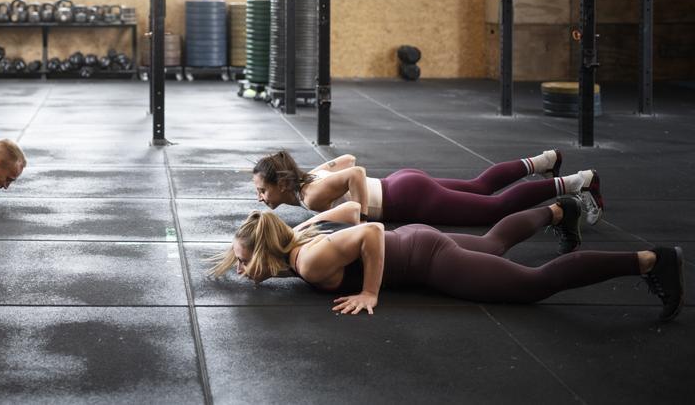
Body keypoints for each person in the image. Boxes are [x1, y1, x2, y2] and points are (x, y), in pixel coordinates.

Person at [209, 199, 684, 322]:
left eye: (245, 262)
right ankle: (564, 210)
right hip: (416, 241)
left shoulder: (309, 262)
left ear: (269, 252)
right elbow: (353, 213)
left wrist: (371, 291)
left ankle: (650, 261)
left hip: (427, 260)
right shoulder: (293, 239)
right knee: (496, 243)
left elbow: (370, 229)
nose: (244, 270)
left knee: (534, 285)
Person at [250, 149, 604, 227]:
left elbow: (354, 171)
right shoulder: (307, 180)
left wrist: (357, 215)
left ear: (281, 184)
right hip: (401, 182)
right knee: (479, 186)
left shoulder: (310, 194)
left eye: (262, 190)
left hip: (408, 198)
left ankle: (578, 182)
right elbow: (345, 158)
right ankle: (544, 160)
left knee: (494, 210)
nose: (260, 197)